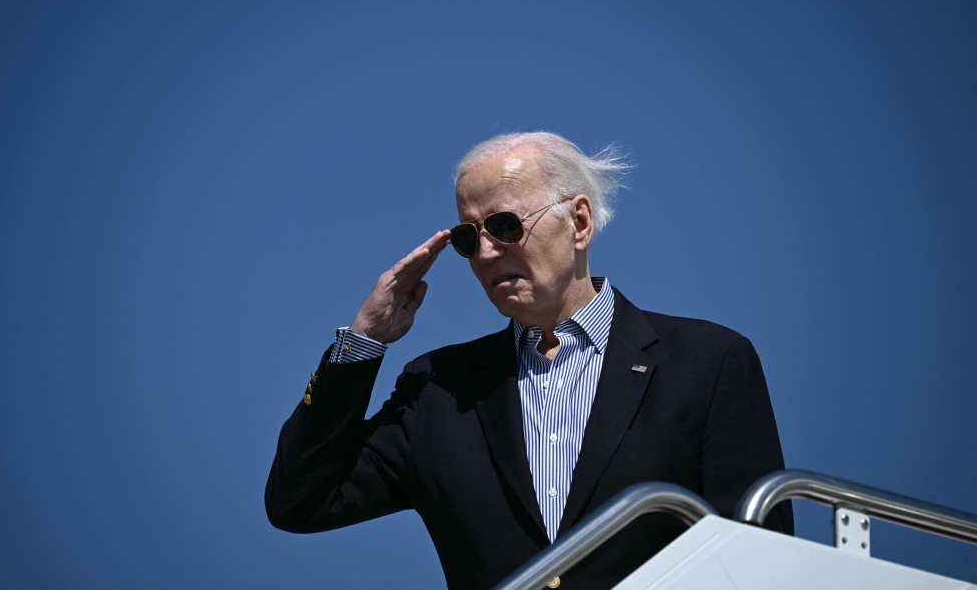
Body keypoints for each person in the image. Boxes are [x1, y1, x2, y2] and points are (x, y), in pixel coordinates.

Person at [265, 132, 792, 590]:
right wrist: (364, 341)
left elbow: (760, 558)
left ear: (578, 222)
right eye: (469, 239)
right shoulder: (439, 391)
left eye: (505, 225)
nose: (487, 253)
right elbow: (302, 501)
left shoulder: (706, 361)